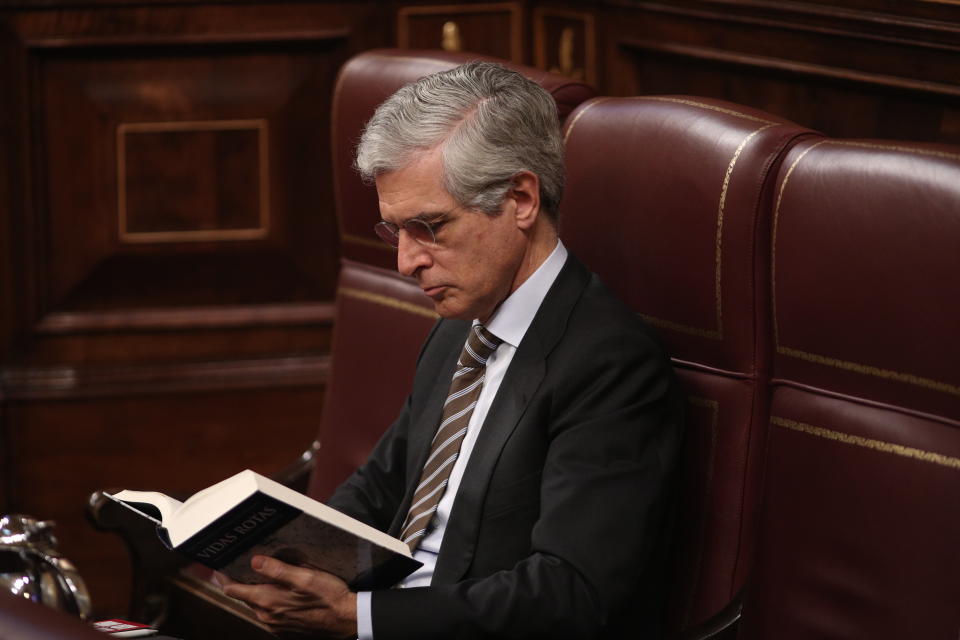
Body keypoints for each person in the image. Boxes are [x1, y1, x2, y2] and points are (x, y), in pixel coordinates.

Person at [221, 61, 683, 639]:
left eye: (429, 227)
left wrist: (356, 619)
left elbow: (569, 593)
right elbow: (383, 486)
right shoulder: (459, 326)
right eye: (396, 231)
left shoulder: (608, 364)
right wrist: (280, 559)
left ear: (520, 198)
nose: (406, 262)